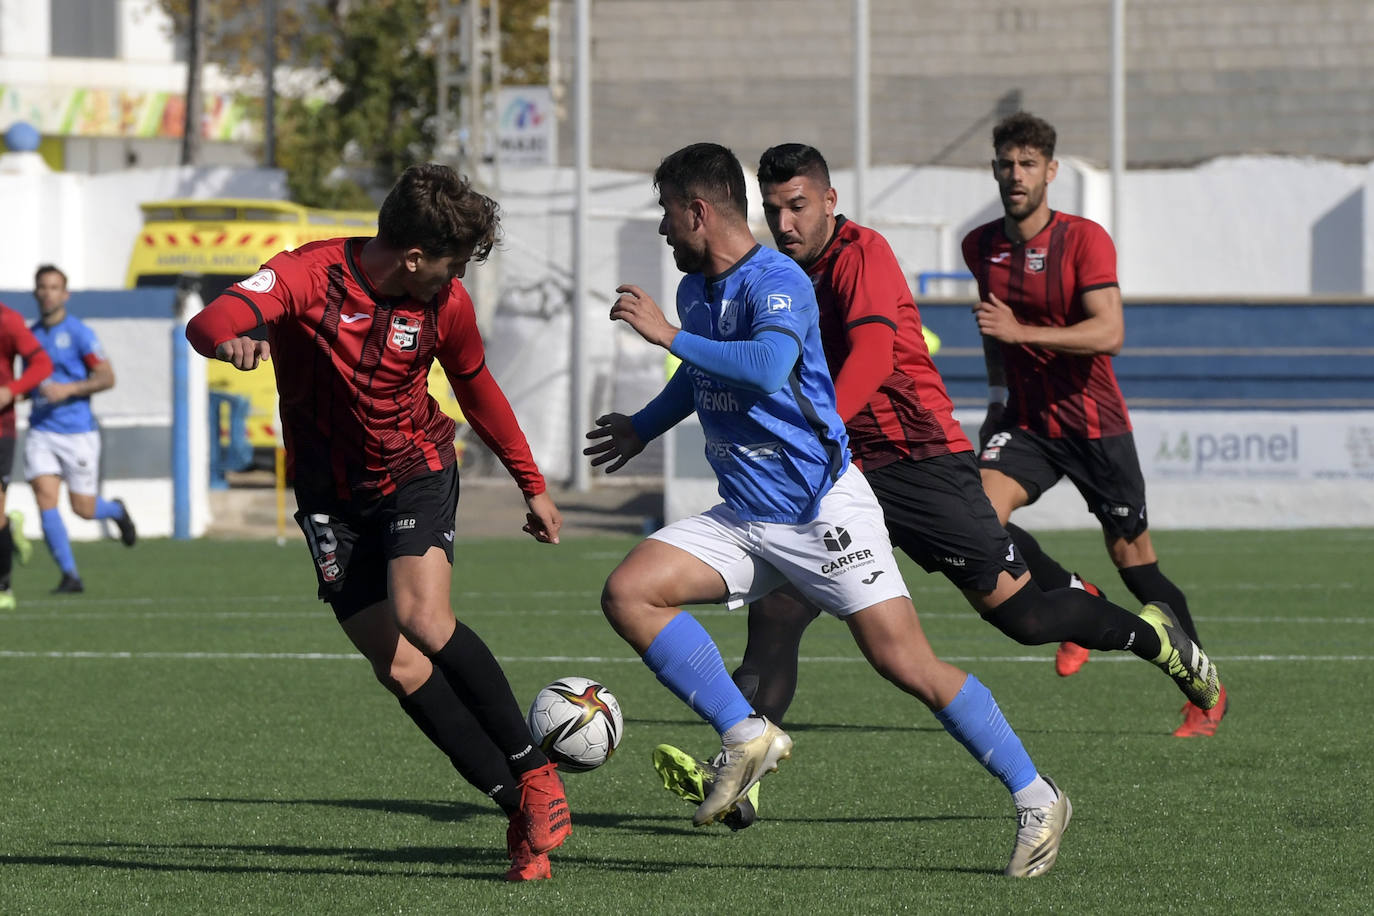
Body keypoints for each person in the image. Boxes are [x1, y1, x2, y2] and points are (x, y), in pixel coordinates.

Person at [652, 143, 1220, 831]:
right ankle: (743, 772)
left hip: (915, 462)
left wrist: (823, 428)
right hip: (834, 476)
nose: (786, 222)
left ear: (831, 201)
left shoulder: (863, 256)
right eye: (774, 210)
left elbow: (873, 354)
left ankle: (1153, 638)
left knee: (1024, 618)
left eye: (798, 206)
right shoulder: (764, 274)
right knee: (774, 618)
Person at [584, 142, 1071, 878]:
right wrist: (643, 425)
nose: (661, 230)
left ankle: (1038, 796)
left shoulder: (777, 279)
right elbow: (697, 377)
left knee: (904, 663)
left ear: (698, 211)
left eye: (665, 215)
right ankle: (746, 734)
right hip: (746, 515)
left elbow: (770, 365)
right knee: (629, 592)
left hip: (820, 511)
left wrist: (667, 335)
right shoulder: (694, 293)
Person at [185, 164, 571, 883]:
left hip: (415, 468)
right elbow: (209, 322)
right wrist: (232, 341)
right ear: (414, 256)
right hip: (329, 492)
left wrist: (532, 483)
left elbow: (476, 387)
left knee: (422, 619)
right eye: (450, 266)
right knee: (396, 664)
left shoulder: (445, 304)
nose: (456, 281)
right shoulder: (308, 276)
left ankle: (537, 769)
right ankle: (518, 809)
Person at [963, 111, 1228, 738]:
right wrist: (997, 402)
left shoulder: (1084, 240)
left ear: (1051, 172)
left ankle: (1200, 685)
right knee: (976, 515)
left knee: (1135, 561)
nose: (1016, 174)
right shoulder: (981, 245)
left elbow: (1110, 332)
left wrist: (1021, 331)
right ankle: (1077, 597)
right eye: (1006, 163)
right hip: (1025, 423)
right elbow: (992, 337)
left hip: (1094, 426)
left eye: (1028, 163)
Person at [27, 265, 138, 594]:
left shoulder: (79, 333)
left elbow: (107, 377)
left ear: (65, 294)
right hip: (41, 430)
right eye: (42, 287)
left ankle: (116, 510)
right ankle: (70, 575)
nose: (47, 293)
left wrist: (68, 389)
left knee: (83, 509)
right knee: (45, 499)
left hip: (77, 432)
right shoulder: (30, 335)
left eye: (54, 287)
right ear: (36, 293)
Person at [0, 297, 52, 609]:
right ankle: (10, 522)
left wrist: (11, 390)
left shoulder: (7, 320)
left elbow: (42, 364)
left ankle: (3, 586)